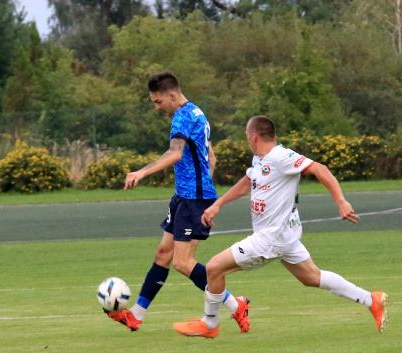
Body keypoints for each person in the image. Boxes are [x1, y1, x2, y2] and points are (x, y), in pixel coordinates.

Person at [173, 115, 388, 338]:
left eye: (248, 137)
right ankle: (370, 299)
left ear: (254, 137)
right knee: (311, 277)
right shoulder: (260, 160)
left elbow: (320, 169)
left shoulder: (281, 157)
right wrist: (218, 204)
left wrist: (341, 202)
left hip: (271, 238)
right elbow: (247, 182)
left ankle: (209, 324)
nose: (248, 141)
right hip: (285, 236)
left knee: (214, 268)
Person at [105, 71, 250, 332]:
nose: (157, 107)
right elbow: (211, 158)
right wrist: (208, 194)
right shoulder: (198, 113)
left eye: (158, 102)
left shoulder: (182, 117)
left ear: (171, 95)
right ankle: (136, 315)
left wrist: (142, 172)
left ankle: (234, 304)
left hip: (193, 199)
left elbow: (175, 153)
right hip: (187, 197)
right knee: (163, 254)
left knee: (183, 262)